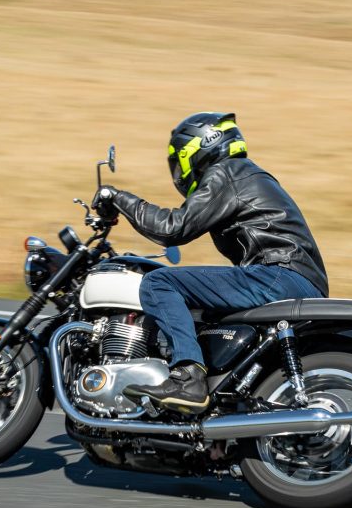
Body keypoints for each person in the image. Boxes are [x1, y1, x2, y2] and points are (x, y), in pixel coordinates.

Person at [94, 112, 328, 415]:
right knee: (202, 313)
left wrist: (118, 197)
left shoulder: (227, 173)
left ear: (196, 150)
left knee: (159, 282)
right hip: (294, 279)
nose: (178, 170)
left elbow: (172, 227)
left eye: (179, 160)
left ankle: (189, 379)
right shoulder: (248, 174)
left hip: (277, 274)